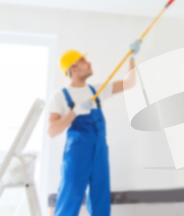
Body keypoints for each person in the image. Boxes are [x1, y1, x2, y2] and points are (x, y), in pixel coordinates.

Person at [47, 41, 141, 216]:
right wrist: (74, 112)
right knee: (70, 197)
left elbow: (129, 83)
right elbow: (52, 131)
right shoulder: (60, 97)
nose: (89, 63)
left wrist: (132, 57)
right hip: (77, 153)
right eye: (83, 61)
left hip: (99, 150)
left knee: (100, 198)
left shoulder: (97, 90)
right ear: (73, 69)